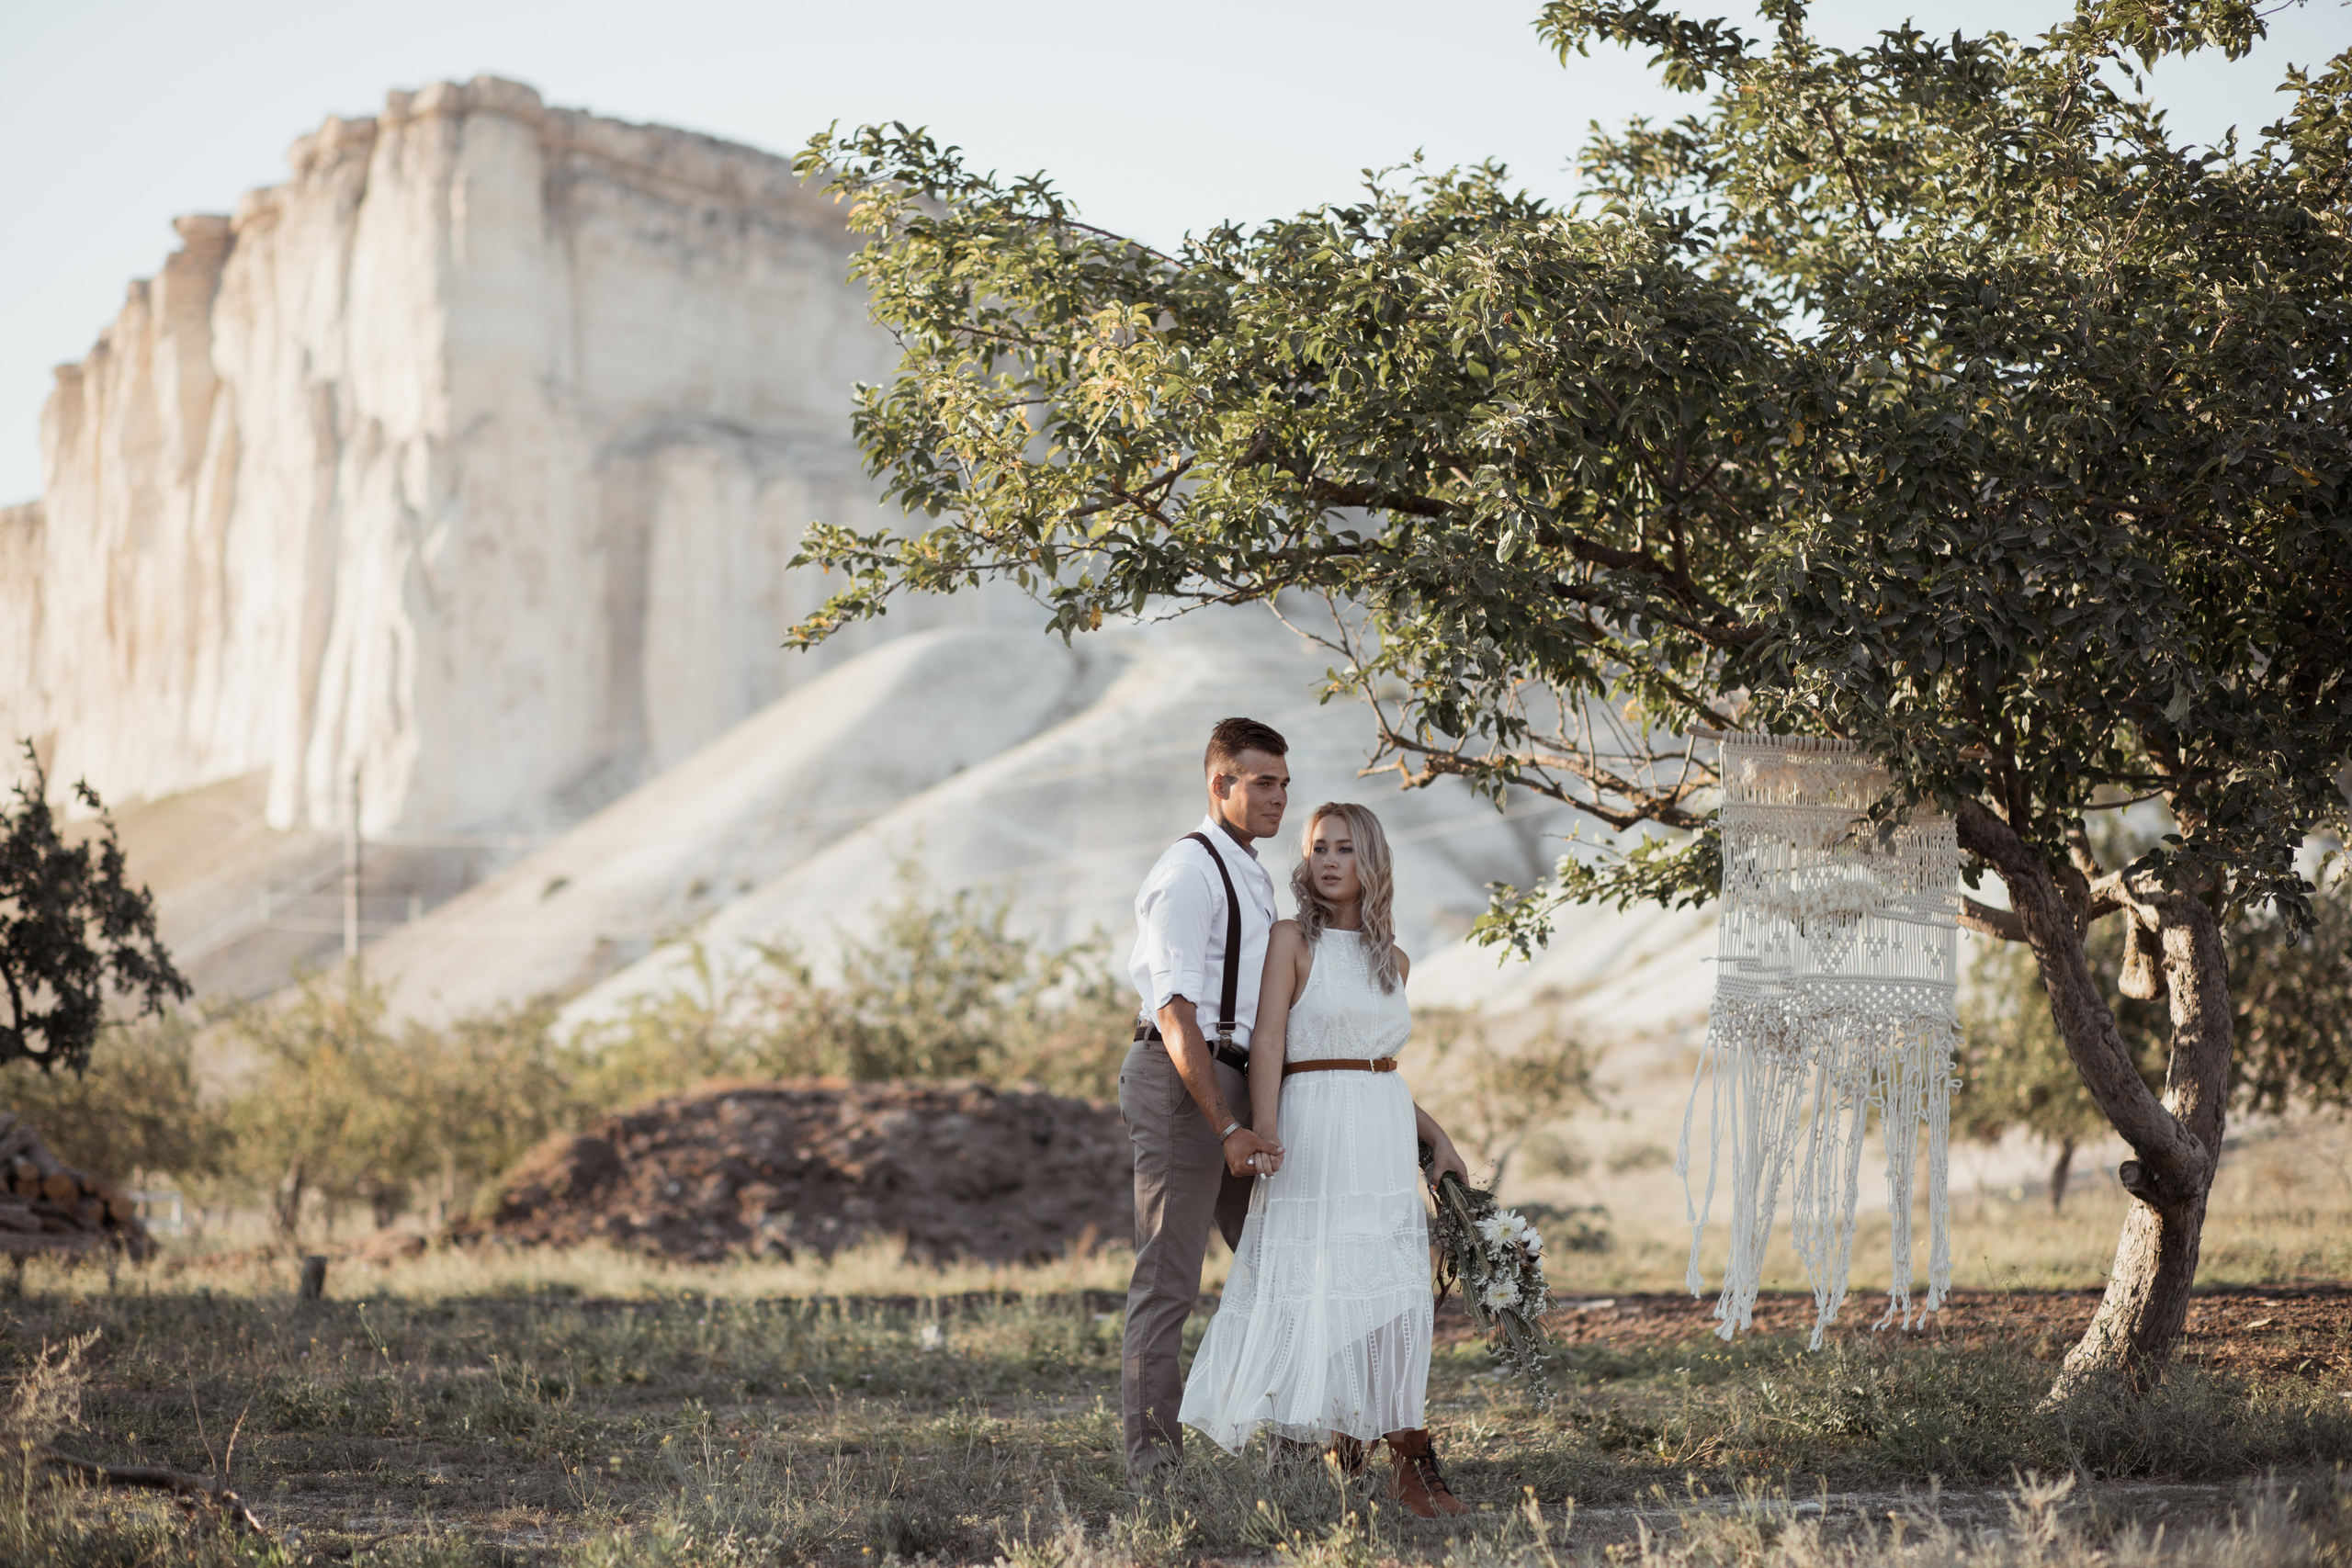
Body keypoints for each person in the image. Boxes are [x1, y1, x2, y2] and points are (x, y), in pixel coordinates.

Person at [1179, 801, 1474, 1517]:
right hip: (1310, 1126)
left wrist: (1437, 1136)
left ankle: (1396, 1455)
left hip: (1377, 1125)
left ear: (1371, 861)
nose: (1329, 860)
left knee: (1394, 1292)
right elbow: (1273, 1043)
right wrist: (1270, 1131)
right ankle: (1339, 1447)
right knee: (1319, 1280)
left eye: (1345, 847)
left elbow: (1378, 1066)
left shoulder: (1394, 957)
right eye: (1318, 848)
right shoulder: (1291, 939)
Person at [1119, 716, 1291, 1483]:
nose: (1277, 798)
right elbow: (1175, 1012)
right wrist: (1226, 1122)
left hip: (1234, 1079)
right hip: (1181, 1079)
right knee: (1169, 1276)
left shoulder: (1251, 870)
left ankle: (1289, 1437)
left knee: (1279, 1260)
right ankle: (1154, 1460)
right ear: (1218, 783)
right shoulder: (1189, 870)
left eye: (1284, 784)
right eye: (1261, 782)